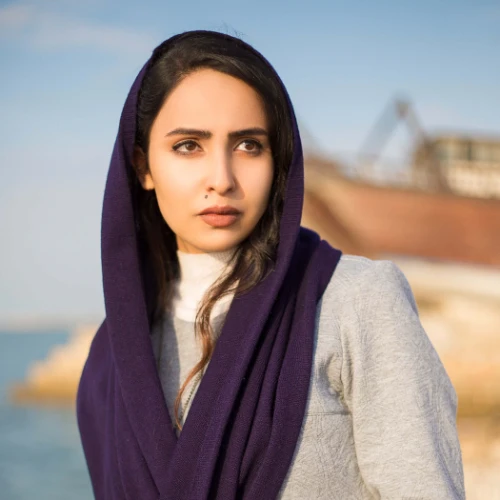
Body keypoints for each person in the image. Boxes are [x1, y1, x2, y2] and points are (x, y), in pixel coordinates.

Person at [76, 30, 465, 500]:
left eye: (248, 145)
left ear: (277, 158)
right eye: (188, 146)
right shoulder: (111, 359)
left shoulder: (356, 301)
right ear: (143, 167)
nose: (221, 179)